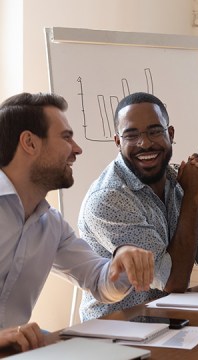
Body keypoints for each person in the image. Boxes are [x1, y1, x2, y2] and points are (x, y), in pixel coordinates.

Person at [0, 92, 154, 352]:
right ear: (29, 143)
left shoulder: (51, 224)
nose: (77, 149)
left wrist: (123, 259)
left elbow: (100, 282)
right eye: (66, 137)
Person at [77, 92, 198, 320]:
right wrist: (191, 197)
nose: (145, 143)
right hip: (117, 331)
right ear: (118, 142)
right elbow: (173, 281)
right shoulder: (109, 198)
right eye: (131, 135)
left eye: (154, 131)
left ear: (170, 133)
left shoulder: (177, 179)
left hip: (168, 321)